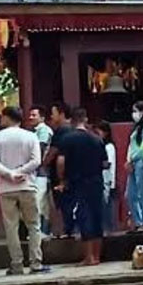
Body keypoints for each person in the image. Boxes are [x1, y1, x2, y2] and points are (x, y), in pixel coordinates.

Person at [0, 107, 48, 276]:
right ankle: (36, 263)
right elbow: (36, 161)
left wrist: (9, 174)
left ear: (7, 118)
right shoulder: (30, 136)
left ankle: (16, 264)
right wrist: (21, 172)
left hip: (6, 188)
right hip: (27, 185)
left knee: (11, 227)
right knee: (33, 225)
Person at [56, 108, 109, 265]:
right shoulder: (97, 139)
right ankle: (97, 257)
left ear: (72, 121)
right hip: (96, 182)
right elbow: (105, 163)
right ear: (85, 120)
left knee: (83, 216)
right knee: (97, 217)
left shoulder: (67, 139)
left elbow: (61, 162)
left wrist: (62, 179)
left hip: (78, 182)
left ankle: (88, 257)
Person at [42, 102, 76, 238]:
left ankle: (64, 230)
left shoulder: (61, 131)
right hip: (73, 172)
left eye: (53, 113)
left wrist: (43, 163)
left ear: (61, 114)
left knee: (62, 204)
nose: (51, 116)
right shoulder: (73, 130)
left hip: (60, 174)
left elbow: (54, 151)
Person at [126, 101, 143, 233]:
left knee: (141, 192)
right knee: (130, 194)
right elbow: (131, 146)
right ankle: (137, 221)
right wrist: (129, 160)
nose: (134, 114)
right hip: (133, 163)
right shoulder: (136, 128)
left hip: (141, 162)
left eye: (136, 111)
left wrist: (133, 158)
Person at [28, 106, 54, 236]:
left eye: (34, 115)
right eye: (30, 115)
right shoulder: (34, 131)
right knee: (43, 203)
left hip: (41, 172)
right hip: (39, 172)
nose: (31, 117)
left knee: (38, 201)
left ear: (42, 117)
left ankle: (41, 231)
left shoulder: (43, 130)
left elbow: (41, 148)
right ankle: (44, 230)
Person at [92, 121, 117, 233]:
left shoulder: (109, 147)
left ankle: (108, 230)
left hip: (107, 181)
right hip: (101, 180)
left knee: (106, 207)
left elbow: (107, 164)